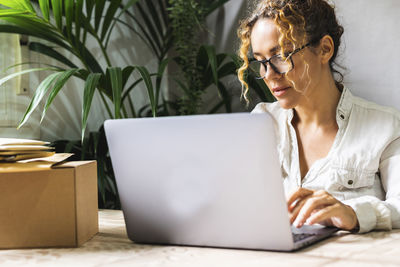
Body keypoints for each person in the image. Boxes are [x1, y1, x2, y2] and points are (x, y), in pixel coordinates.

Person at [237, 0, 400, 233]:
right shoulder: (261, 123)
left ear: (325, 49)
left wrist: (354, 214)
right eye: (261, 61)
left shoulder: (386, 127)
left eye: (281, 55)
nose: (269, 75)